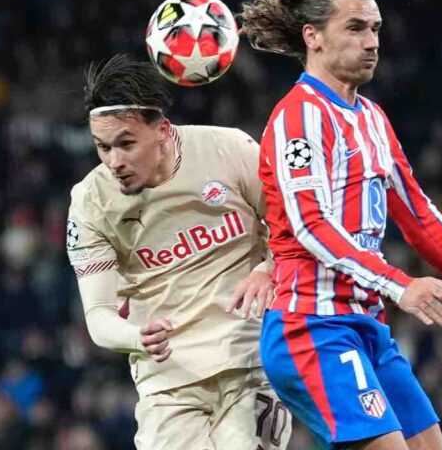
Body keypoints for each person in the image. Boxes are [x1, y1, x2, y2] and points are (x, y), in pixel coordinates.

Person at [240, 0, 442, 450]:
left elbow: (417, 214)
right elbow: (310, 225)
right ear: (312, 36)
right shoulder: (299, 117)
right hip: (311, 328)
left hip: (366, 327)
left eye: (375, 29)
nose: (372, 42)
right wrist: (400, 285)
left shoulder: (372, 117)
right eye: (355, 28)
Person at [65, 54, 291, 449]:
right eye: (103, 147)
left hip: (251, 360)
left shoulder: (228, 149)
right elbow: (98, 316)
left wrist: (268, 269)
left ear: (163, 131)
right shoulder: (90, 202)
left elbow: (293, 228)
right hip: (167, 383)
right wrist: (137, 336)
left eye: (126, 144)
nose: (114, 161)